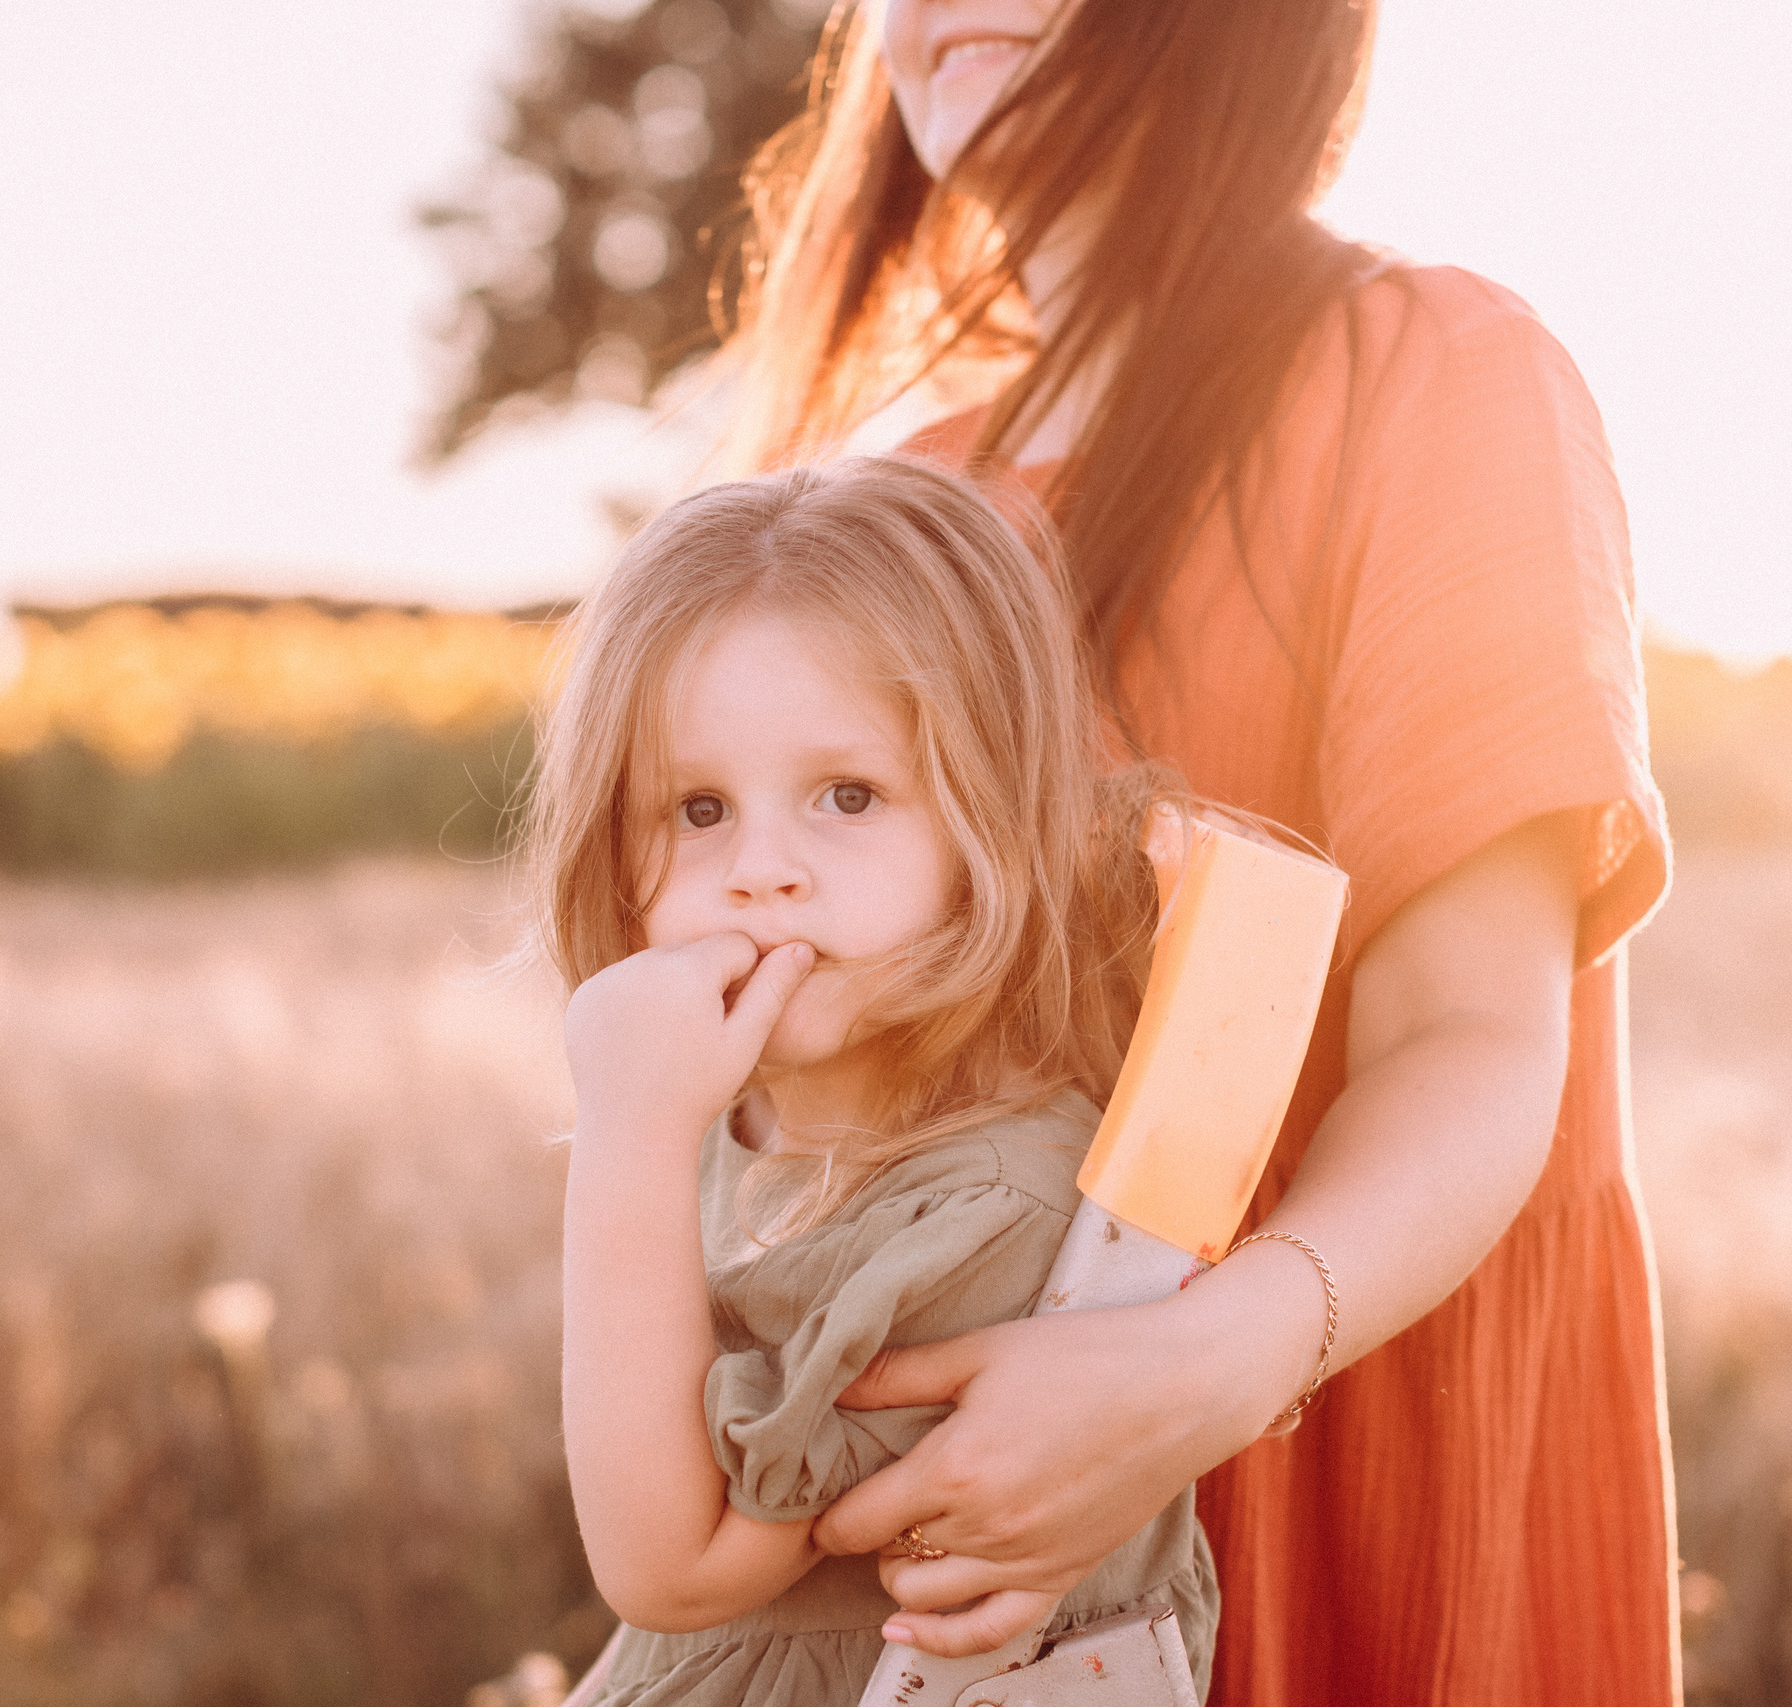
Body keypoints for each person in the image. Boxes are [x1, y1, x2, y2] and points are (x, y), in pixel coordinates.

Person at [707, 1, 1679, 1702]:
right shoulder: (894, 511)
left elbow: (1473, 1034)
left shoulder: (1435, 374)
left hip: (1359, 1428)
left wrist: (1193, 1374)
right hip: (973, 1580)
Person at [528, 455, 1219, 1705]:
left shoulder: (988, 1216)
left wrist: (624, 1129)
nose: (762, 871)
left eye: (847, 796)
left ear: (987, 825)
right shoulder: (729, 1118)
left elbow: (668, 1572)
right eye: (696, 810)